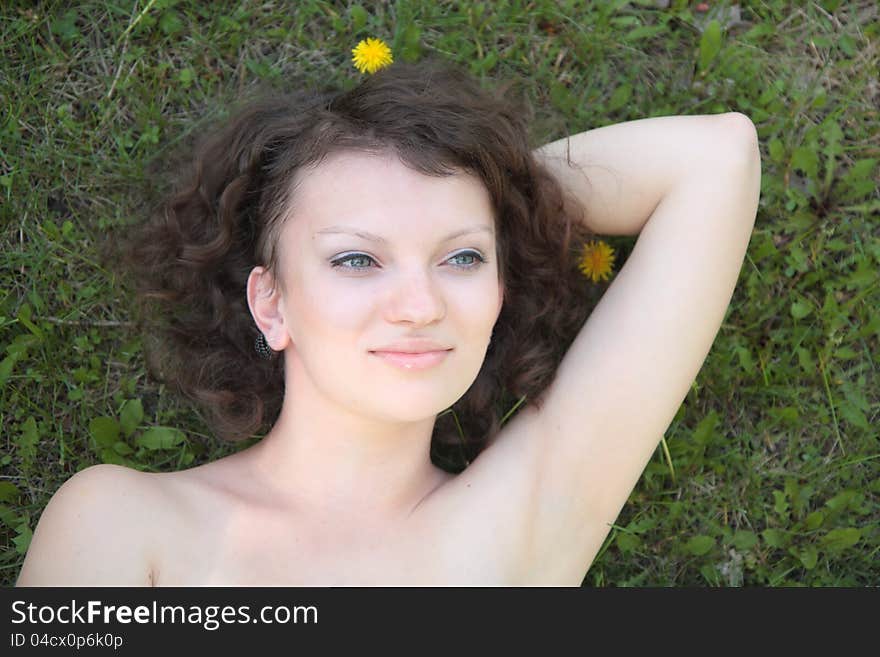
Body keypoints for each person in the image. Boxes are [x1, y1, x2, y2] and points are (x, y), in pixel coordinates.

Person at [16, 57, 761, 586]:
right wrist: (457, 210)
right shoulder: (120, 520)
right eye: (357, 260)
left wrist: (495, 201)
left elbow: (715, 158)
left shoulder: (521, 523)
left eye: (462, 259)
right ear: (272, 303)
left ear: (501, 287)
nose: (421, 303)